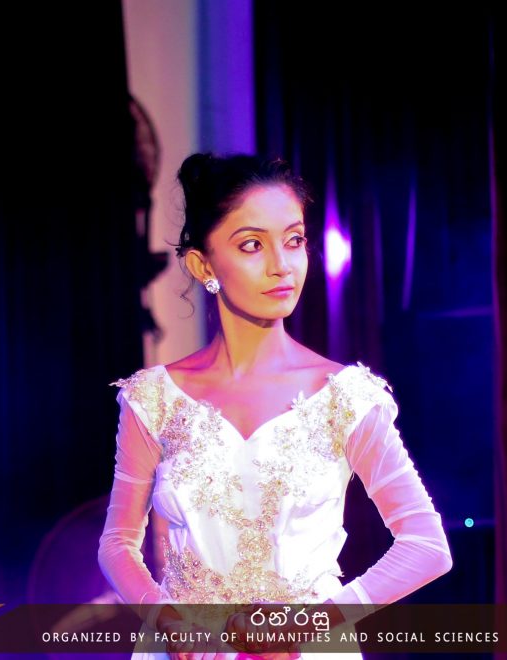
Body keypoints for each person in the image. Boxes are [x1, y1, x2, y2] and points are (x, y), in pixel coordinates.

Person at [98, 152, 453, 659]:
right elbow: (117, 544)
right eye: (252, 245)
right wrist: (167, 620)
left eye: (294, 240)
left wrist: (309, 624)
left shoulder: (344, 398)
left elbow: (426, 544)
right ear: (202, 264)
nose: (281, 265)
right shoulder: (154, 399)